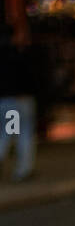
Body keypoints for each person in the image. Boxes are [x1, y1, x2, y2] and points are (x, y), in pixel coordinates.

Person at [0, 22, 38, 182]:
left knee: (8, 133)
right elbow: (28, 77)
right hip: (19, 101)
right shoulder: (17, 54)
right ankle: (23, 169)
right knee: (19, 135)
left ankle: (23, 169)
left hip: (7, 100)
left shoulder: (5, 55)